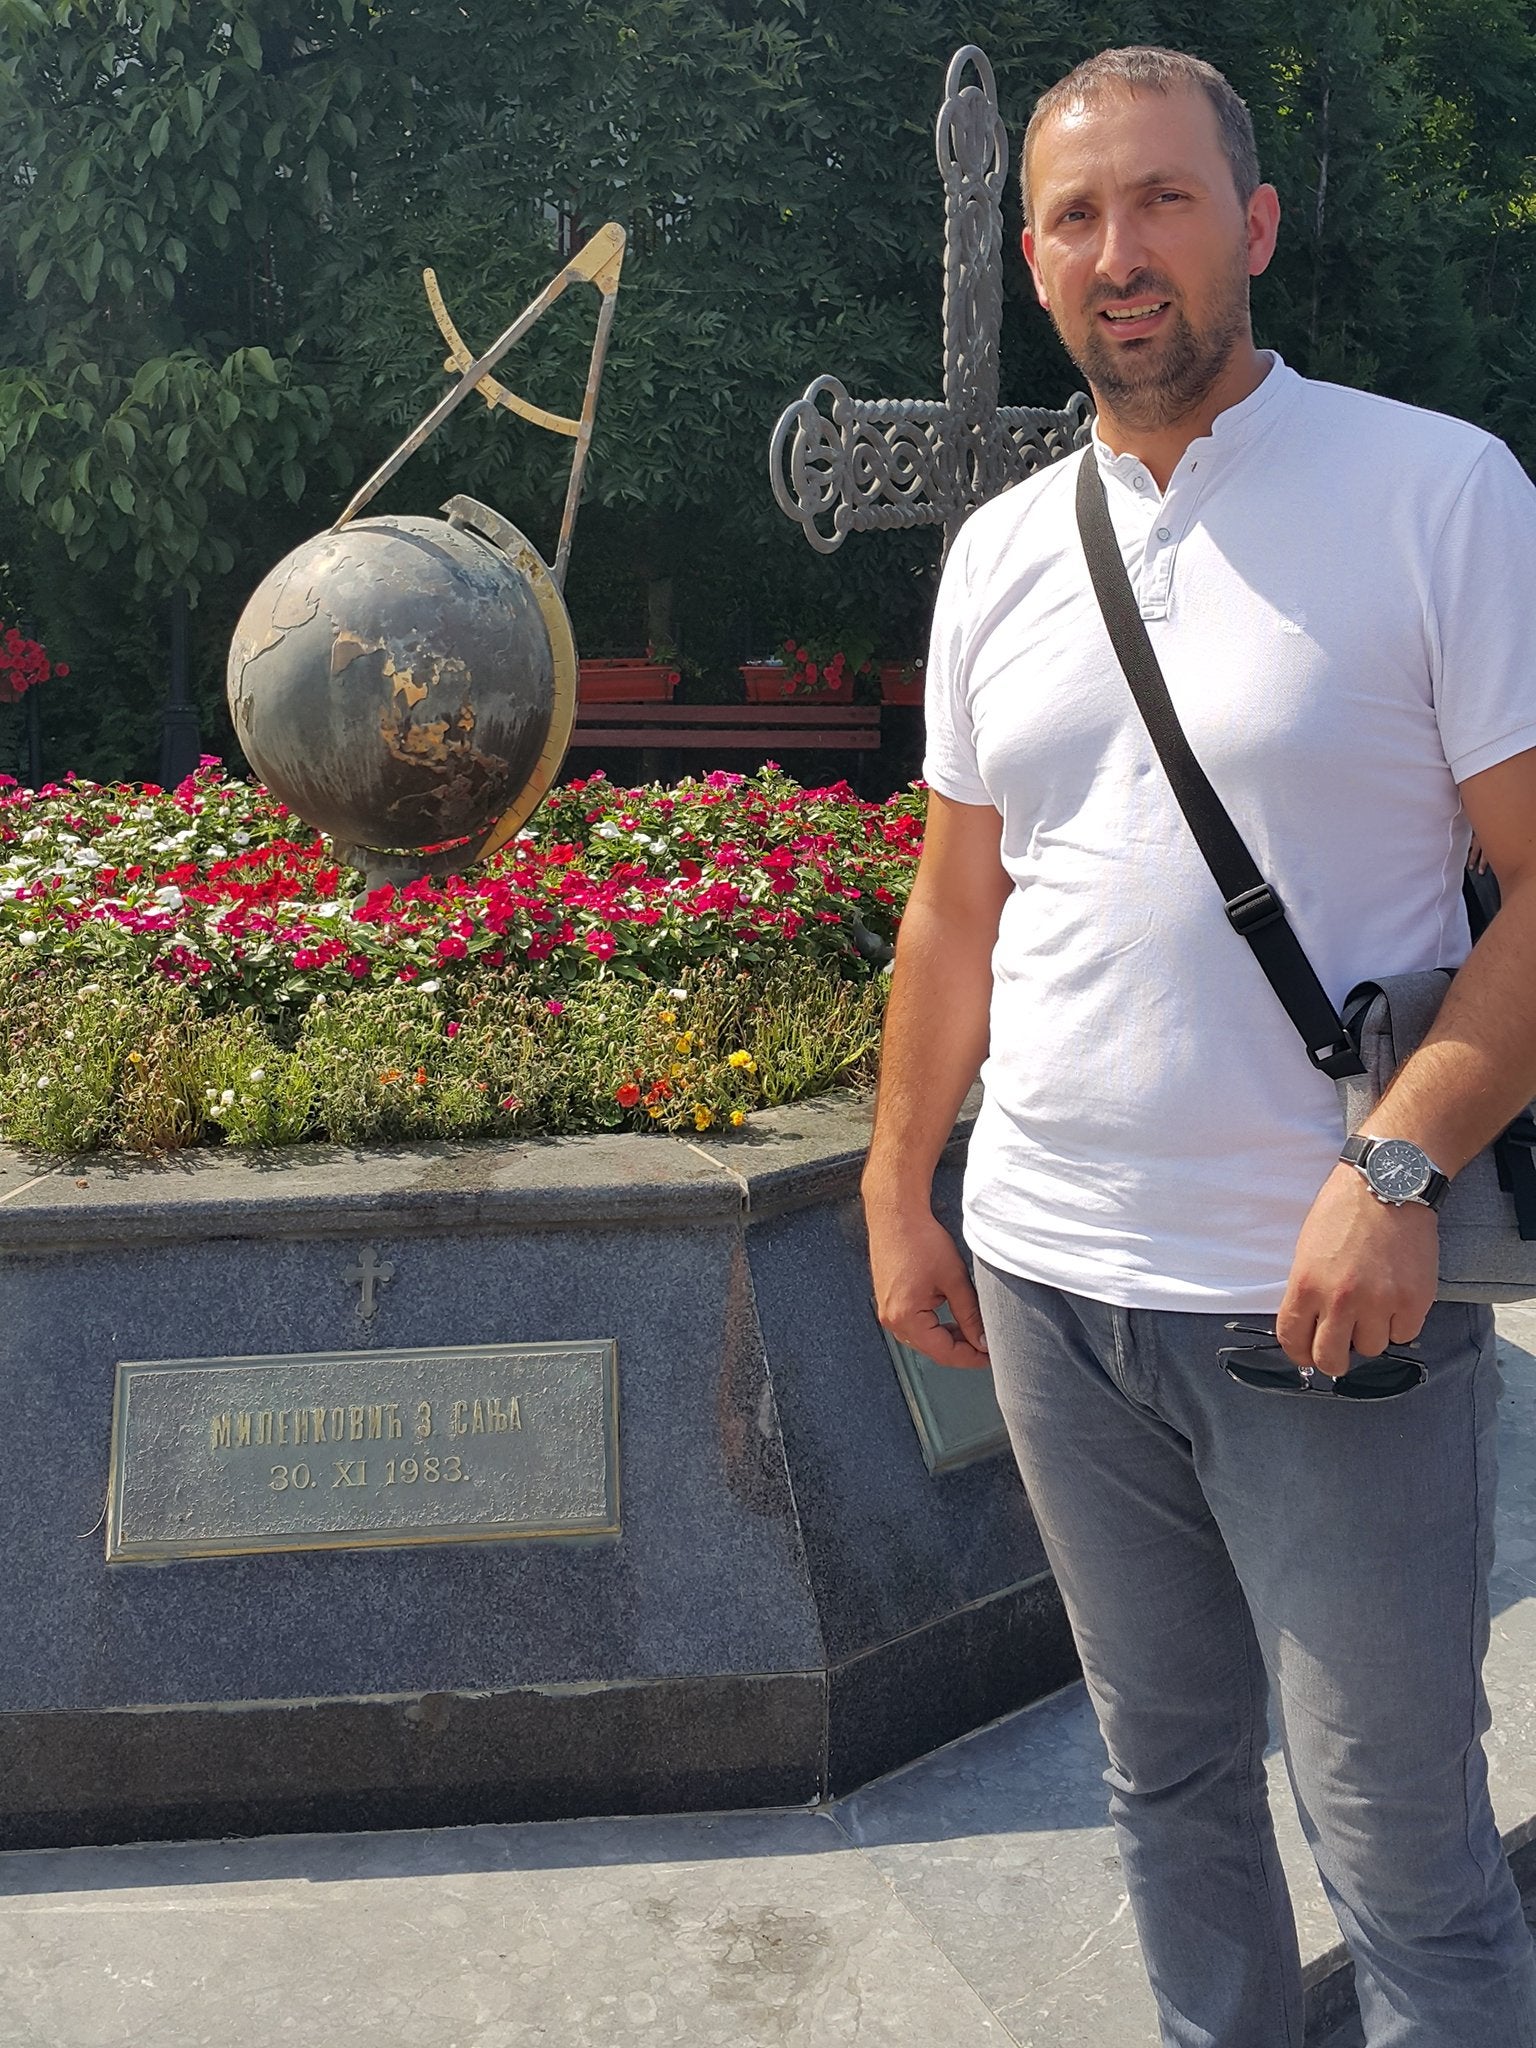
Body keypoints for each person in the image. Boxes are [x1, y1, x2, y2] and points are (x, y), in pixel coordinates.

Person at [862, 44, 1536, 2048]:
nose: (1117, 250)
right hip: (1055, 1286)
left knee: (1399, 1847)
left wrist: (1397, 1169)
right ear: (1031, 257)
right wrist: (909, 1181)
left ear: (1250, 227)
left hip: (1330, 1303)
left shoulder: (1435, 493)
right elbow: (956, 909)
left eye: (1160, 201)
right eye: (1075, 215)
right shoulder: (1002, 551)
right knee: (1164, 1789)